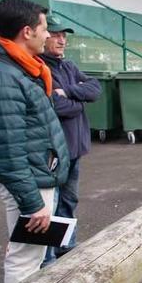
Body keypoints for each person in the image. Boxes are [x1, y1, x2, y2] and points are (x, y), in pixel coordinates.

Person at [0, 0, 69, 283]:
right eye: (44, 28)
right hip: (30, 182)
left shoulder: (22, 68)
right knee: (25, 258)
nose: (48, 35)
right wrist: (32, 203)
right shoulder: (0, 77)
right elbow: (7, 150)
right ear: (27, 32)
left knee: (30, 254)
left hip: (38, 173)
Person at [41, 15, 101, 265]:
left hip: (75, 148)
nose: (61, 40)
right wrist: (78, 102)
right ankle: (46, 256)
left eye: (64, 35)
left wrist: (69, 92)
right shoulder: (38, 67)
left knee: (69, 200)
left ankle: (67, 244)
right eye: (55, 34)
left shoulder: (68, 66)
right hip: (54, 151)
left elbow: (95, 89)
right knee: (50, 205)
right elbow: (55, 106)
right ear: (44, 37)